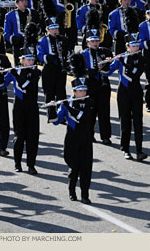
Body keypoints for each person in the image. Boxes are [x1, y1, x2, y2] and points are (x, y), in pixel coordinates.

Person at [48, 53, 94, 204]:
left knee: (86, 168)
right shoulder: (67, 103)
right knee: (74, 168)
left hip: (86, 139)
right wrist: (53, 108)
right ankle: (72, 191)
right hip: (72, 138)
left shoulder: (89, 103)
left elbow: (81, 117)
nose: (82, 93)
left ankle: (85, 195)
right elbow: (55, 121)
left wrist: (67, 106)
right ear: (74, 92)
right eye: (79, 91)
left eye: (84, 90)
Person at [104, 7, 148, 161]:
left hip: (135, 90)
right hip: (123, 91)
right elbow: (108, 73)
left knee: (138, 121)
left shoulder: (140, 59)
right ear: (127, 47)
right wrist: (107, 63)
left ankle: (139, 150)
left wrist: (122, 61)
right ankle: (125, 149)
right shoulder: (121, 57)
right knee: (125, 121)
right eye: (133, 46)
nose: (136, 48)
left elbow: (135, 73)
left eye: (137, 45)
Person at [3, 43, 41, 174]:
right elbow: (2, 84)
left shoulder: (36, 72)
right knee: (19, 137)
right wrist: (3, 73)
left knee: (32, 137)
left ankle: (31, 165)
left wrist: (15, 74)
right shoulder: (15, 71)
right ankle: (17, 163)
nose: (30, 62)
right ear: (22, 60)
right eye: (28, 59)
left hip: (32, 107)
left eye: (32, 60)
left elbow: (25, 86)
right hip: (19, 107)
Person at [81, 8, 113, 145]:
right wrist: (91, 71)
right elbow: (79, 71)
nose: (95, 43)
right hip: (90, 85)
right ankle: (89, 134)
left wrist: (108, 63)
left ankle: (106, 136)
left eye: (96, 40)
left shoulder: (104, 51)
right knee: (90, 112)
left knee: (104, 111)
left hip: (103, 84)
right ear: (87, 42)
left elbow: (110, 70)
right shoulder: (82, 55)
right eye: (92, 41)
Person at [37, 0, 69, 123]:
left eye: (56, 28)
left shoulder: (62, 39)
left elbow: (67, 52)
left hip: (60, 69)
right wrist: (48, 57)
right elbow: (40, 55)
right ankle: (51, 115)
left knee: (61, 93)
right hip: (49, 69)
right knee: (49, 93)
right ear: (48, 29)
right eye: (52, 28)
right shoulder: (43, 41)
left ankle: (62, 115)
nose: (55, 30)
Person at [4, 0, 40, 65]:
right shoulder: (10, 15)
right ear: (17, 3)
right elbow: (6, 34)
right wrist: (16, 40)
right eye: (22, 1)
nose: (25, 3)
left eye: (26, 1)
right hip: (18, 46)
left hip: (31, 45)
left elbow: (40, 28)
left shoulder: (34, 13)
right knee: (19, 68)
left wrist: (33, 35)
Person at [0, 42, 12, 157]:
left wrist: (4, 73)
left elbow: (10, 72)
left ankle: (3, 147)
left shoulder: (3, 58)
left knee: (4, 121)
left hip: (2, 92)